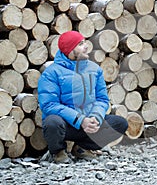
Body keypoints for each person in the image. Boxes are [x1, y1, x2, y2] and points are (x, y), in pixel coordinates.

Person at [38, 31, 128, 163]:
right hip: (66, 125)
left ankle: (82, 148)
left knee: (120, 124)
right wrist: (80, 120)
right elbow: (49, 105)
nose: (86, 46)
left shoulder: (95, 69)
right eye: (80, 44)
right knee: (52, 122)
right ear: (69, 49)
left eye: (85, 42)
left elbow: (102, 99)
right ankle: (57, 152)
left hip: (89, 123)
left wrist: (95, 117)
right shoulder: (52, 73)